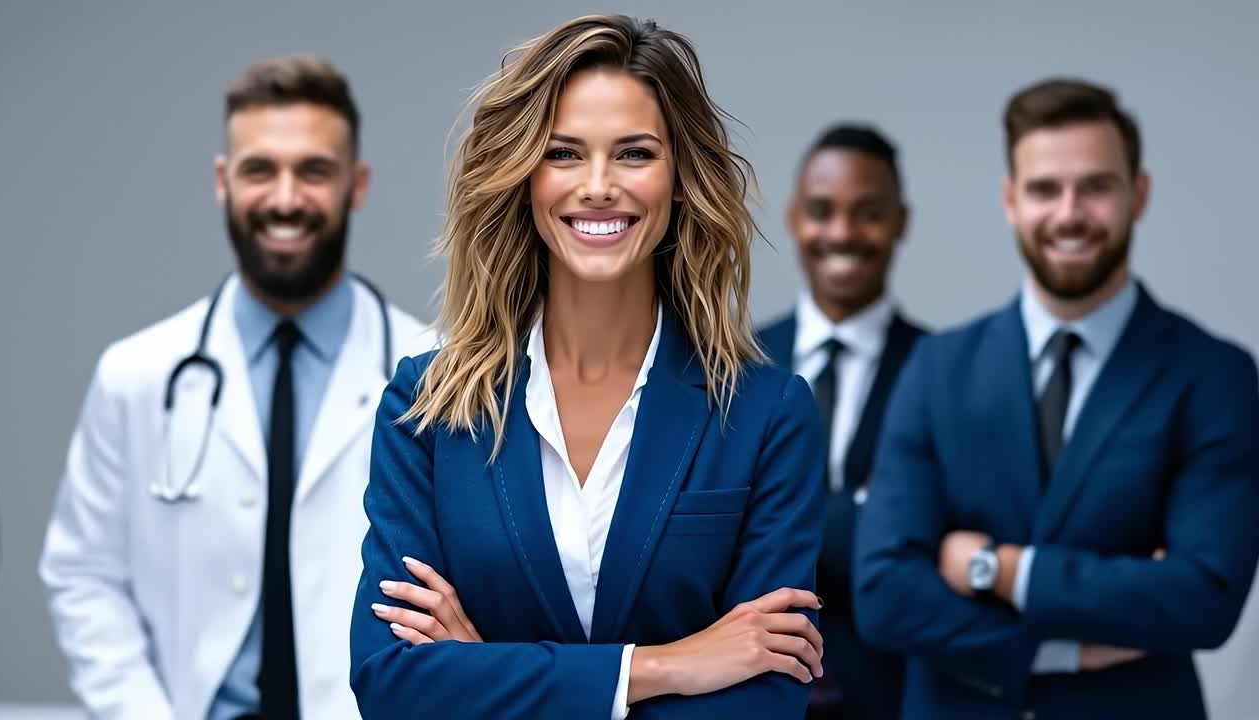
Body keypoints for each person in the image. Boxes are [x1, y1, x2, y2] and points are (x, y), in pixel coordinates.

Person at [349, 14, 825, 720]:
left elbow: (764, 699)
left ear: (681, 178)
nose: (598, 186)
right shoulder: (426, 408)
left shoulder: (767, 414)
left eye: (634, 153)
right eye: (564, 153)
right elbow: (392, 683)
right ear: (524, 177)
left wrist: (482, 671)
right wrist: (664, 665)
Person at [39, 55, 436, 720]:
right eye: (260, 170)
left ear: (357, 185)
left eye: (314, 170)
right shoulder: (135, 376)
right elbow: (84, 577)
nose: (285, 199)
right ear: (223, 182)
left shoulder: (440, 378)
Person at [853, 77, 1259, 719]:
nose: (1069, 214)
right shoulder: (937, 368)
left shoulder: (1215, 375)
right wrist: (1058, 651)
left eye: (1095, 187)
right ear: (1010, 200)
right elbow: (883, 594)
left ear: (1139, 194)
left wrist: (1001, 569)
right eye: (1045, 189)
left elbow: (1203, 596)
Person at [758, 124, 925, 720]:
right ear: (793, 217)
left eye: (869, 213)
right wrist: (865, 514)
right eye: (822, 211)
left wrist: (770, 509)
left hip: (894, 698)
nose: (842, 233)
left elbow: (928, 556)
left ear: (901, 222)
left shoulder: (943, 374)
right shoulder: (733, 365)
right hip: (755, 697)